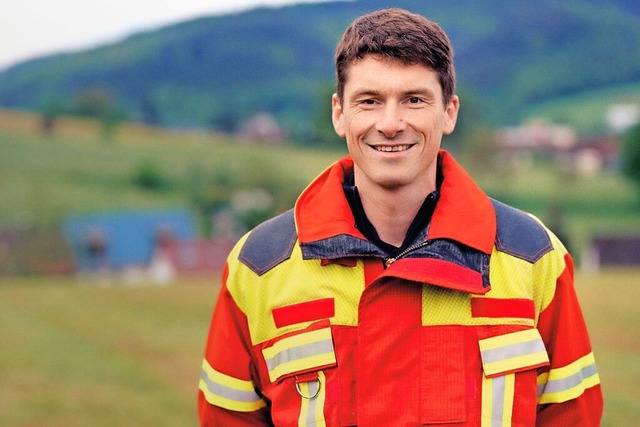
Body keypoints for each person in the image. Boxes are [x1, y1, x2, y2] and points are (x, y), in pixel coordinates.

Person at [198, 8, 603, 426]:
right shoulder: (259, 267)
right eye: (370, 101)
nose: (390, 124)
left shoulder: (533, 259)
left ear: (449, 111)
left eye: (414, 100)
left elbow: (573, 415)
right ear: (339, 113)